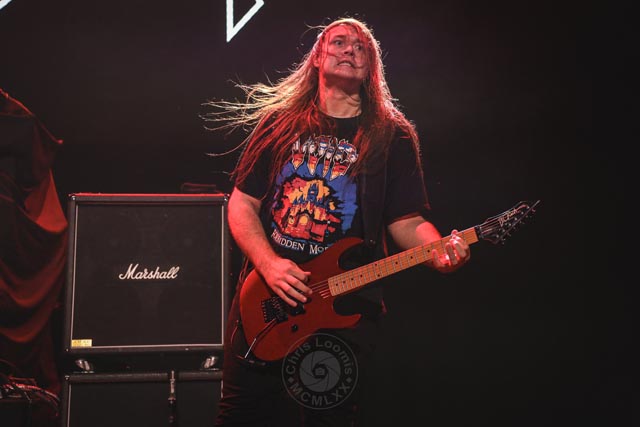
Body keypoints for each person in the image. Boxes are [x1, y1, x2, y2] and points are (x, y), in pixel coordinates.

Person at [205, 17, 471, 426]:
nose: (350, 50)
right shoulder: (280, 123)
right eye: (340, 42)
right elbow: (241, 204)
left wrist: (438, 251)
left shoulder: (391, 135)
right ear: (317, 57)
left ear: (371, 66)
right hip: (267, 301)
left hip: (345, 305)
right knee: (241, 416)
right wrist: (270, 265)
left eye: (361, 47)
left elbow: (406, 220)